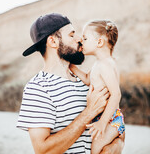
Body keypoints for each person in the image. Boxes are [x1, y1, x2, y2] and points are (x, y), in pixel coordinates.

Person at [17, 13, 125, 154]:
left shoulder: (86, 81)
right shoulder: (38, 88)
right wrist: (89, 112)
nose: (79, 39)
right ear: (53, 42)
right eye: (72, 35)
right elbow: (43, 151)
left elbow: (118, 130)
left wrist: (116, 146)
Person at [70, 20, 125, 154]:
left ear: (99, 42)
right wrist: (71, 66)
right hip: (107, 119)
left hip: (109, 120)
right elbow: (88, 80)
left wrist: (102, 123)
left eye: (85, 38)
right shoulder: (100, 63)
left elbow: (116, 94)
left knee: (95, 151)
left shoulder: (105, 65)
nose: (81, 41)